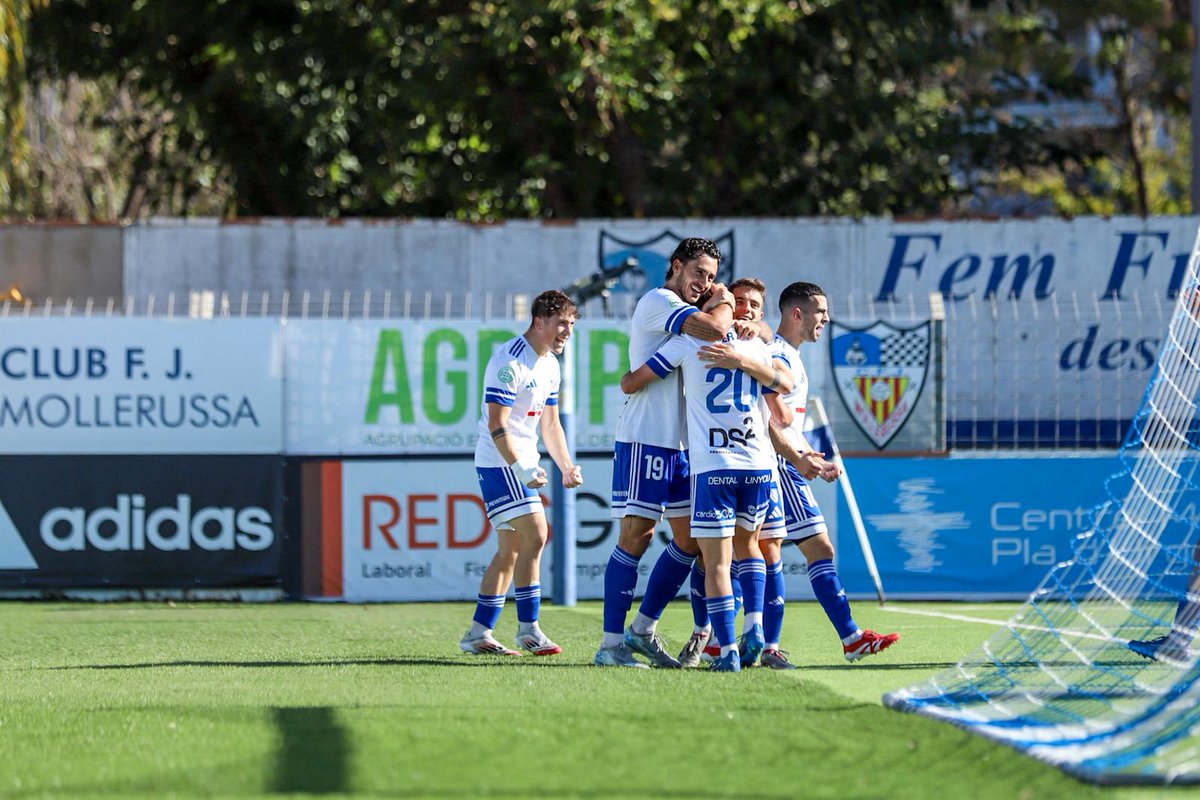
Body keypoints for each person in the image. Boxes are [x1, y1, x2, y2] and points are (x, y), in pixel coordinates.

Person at [619, 302, 788, 671]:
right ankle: (755, 627)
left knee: (715, 562)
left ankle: (727, 651)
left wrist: (631, 377)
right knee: (750, 549)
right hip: (759, 463)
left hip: (714, 465)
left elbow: (631, 382)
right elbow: (785, 397)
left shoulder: (685, 343)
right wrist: (753, 346)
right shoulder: (755, 345)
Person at [594, 237, 738, 669]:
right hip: (645, 437)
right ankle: (609, 645)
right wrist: (726, 300)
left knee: (690, 541)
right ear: (675, 267)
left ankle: (642, 629)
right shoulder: (657, 300)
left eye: (712, 277)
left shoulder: (691, 317)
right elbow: (715, 329)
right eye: (698, 274)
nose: (705, 283)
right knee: (634, 538)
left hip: (682, 445)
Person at [759, 281, 899, 665]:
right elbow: (764, 418)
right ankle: (765, 643)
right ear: (797, 314)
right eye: (820, 311)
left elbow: (785, 423)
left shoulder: (789, 355)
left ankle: (759, 642)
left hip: (785, 461)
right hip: (776, 466)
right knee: (773, 554)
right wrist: (796, 457)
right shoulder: (779, 358)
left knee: (767, 554)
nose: (826, 318)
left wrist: (809, 454)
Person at [459, 290, 584, 657]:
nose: (567, 332)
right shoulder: (509, 361)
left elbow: (551, 424)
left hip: (521, 462)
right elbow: (498, 425)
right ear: (539, 321)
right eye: (561, 324)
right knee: (538, 533)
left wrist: (565, 466)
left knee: (511, 548)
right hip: (500, 460)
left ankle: (478, 633)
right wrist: (522, 466)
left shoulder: (550, 364)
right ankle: (529, 629)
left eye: (571, 325)